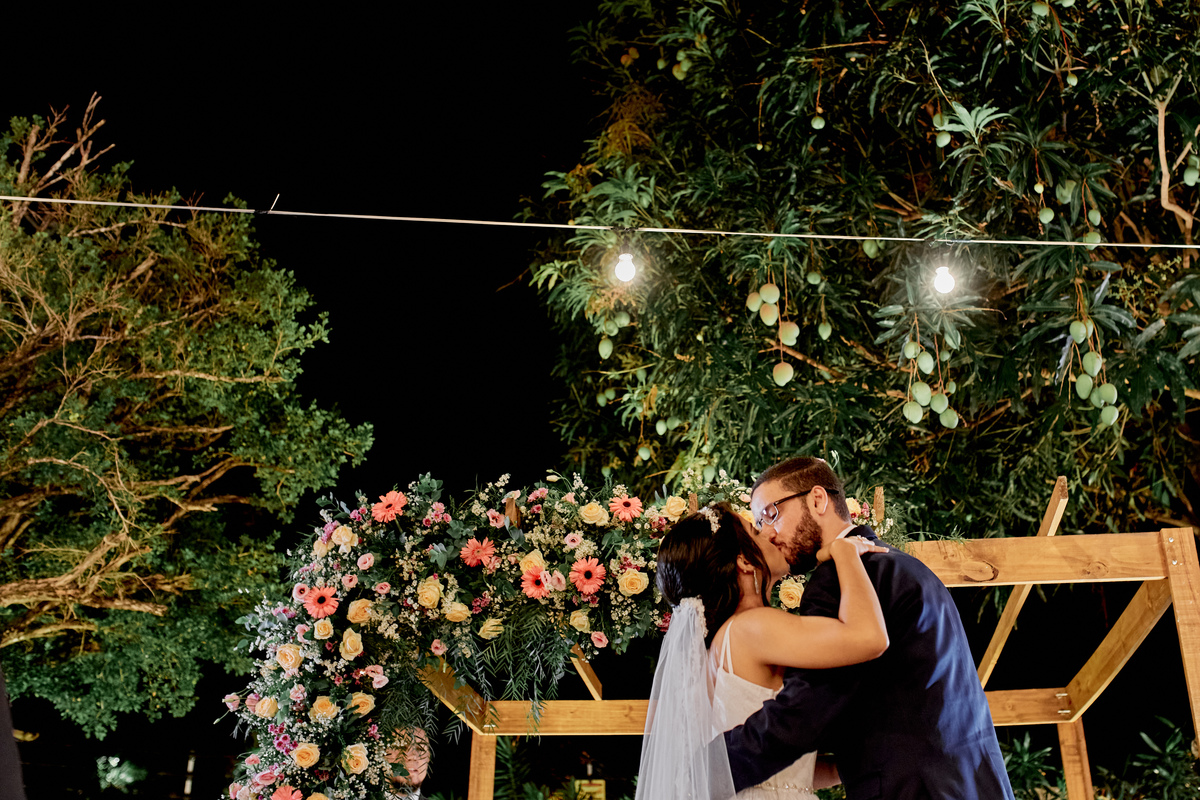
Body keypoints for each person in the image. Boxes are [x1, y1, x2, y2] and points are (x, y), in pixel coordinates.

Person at [724, 457, 1015, 800]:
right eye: (759, 523)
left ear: (818, 500)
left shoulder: (838, 582)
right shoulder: (905, 565)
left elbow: (807, 707)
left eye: (771, 514)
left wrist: (713, 762)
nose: (769, 534)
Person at [636, 501, 889, 800]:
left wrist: (842, 768)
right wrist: (846, 553)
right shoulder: (751, 627)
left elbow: (775, 770)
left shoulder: (722, 644)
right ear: (744, 561)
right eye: (757, 530)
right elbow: (868, 637)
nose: (770, 533)